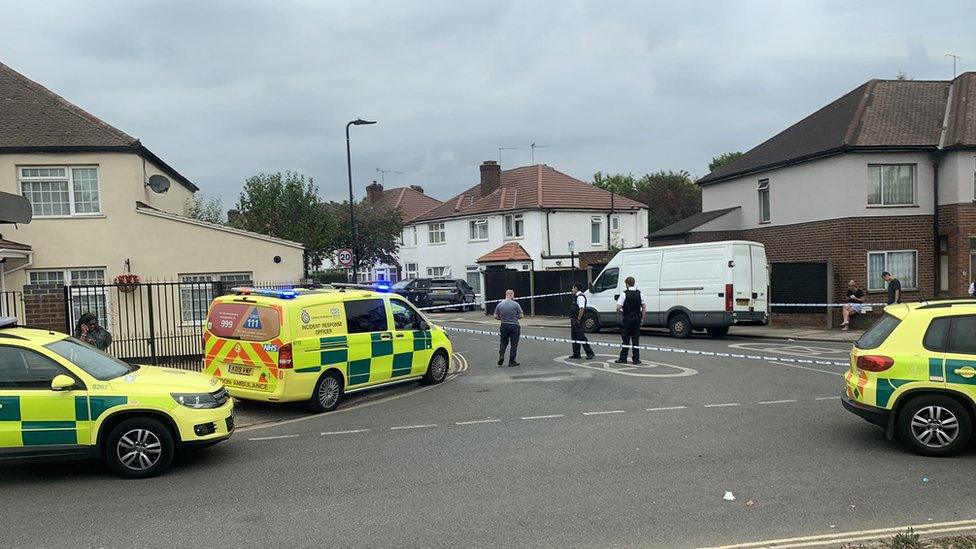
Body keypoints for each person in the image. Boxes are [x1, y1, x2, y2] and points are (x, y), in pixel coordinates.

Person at [615, 276, 647, 364]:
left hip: (627, 319)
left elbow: (618, 307)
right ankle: (636, 359)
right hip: (637, 319)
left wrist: (621, 310)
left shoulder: (624, 294)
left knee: (625, 339)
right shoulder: (640, 294)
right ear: (634, 283)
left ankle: (623, 358)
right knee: (635, 339)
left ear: (627, 284)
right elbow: (644, 308)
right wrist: (642, 319)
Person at [493, 289, 523, 367]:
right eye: (513, 294)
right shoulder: (516, 304)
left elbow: (495, 316)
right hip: (514, 326)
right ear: (510, 294)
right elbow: (521, 315)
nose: (514, 296)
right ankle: (512, 361)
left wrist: (501, 318)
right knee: (514, 344)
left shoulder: (500, 304)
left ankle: (501, 355)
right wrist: (515, 317)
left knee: (503, 341)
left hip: (504, 325)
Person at [568, 283, 595, 360]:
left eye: (573, 288)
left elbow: (582, 309)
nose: (572, 290)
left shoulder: (580, 297)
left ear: (576, 288)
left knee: (582, 337)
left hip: (577, 319)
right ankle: (576, 353)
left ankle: (590, 353)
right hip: (574, 319)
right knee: (574, 337)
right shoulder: (575, 297)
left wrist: (578, 319)